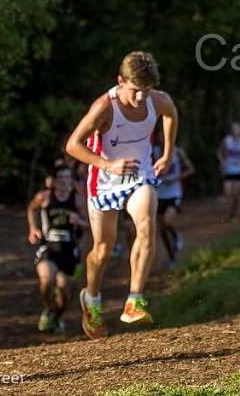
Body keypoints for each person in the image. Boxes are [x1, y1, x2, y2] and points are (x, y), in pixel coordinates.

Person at [65, 51, 178, 339]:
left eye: (147, 91)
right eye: (135, 91)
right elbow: (73, 145)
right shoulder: (105, 106)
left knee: (146, 224)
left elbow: (171, 114)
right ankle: (91, 300)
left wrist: (166, 154)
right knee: (103, 250)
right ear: (120, 81)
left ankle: (134, 300)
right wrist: (107, 164)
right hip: (103, 182)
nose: (141, 98)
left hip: (139, 176)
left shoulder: (157, 100)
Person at [27, 160, 88, 334]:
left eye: (67, 177)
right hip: (49, 246)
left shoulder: (77, 201)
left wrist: (80, 222)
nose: (63, 180)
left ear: (72, 181)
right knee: (46, 279)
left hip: (69, 248)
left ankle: (58, 317)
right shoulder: (44, 197)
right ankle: (48, 310)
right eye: (60, 177)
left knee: (64, 293)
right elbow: (31, 209)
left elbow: (90, 225)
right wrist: (33, 228)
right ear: (53, 180)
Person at [153, 140, 194, 270]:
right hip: (158, 194)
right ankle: (171, 257)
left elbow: (190, 169)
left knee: (167, 222)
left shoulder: (177, 151)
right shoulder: (153, 152)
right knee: (162, 230)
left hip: (174, 194)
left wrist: (176, 178)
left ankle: (176, 234)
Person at [218, 122, 240, 223]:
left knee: (236, 195)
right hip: (228, 170)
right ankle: (230, 213)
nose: (235, 131)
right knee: (227, 194)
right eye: (233, 129)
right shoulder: (227, 140)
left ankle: (233, 214)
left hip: (239, 170)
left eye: (237, 129)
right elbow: (219, 152)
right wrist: (222, 161)